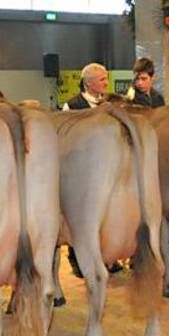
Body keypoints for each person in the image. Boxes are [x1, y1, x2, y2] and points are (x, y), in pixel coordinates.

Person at [62, 62, 123, 276]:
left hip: (108, 168)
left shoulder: (109, 104)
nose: (106, 83)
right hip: (80, 171)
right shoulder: (72, 106)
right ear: (88, 83)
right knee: (80, 218)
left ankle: (106, 257)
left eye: (106, 78)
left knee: (105, 216)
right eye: (102, 79)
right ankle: (77, 259)